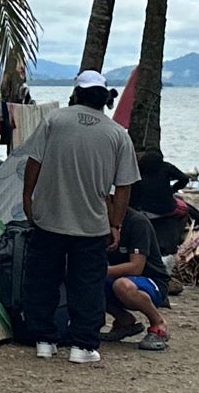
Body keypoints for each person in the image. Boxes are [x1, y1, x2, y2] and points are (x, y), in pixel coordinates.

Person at [19, 69, 139, 365]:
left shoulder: (55, 121)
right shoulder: (117, 134)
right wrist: (116, 223)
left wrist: (27, 198)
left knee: (43, 280)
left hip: (49, 218)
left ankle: (44, 341)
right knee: (86, 284)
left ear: (76, 93)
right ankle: (82, 345)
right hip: (91, 224)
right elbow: (123, 187)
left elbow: (34, 162)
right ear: (104, 96)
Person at [106, 202, 173, 352]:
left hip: (149, 280)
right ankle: (123, 320)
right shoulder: (98, 220)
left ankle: (158, 323)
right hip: (115, 276)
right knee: (83, 280)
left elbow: (136, 267)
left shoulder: (137, 223)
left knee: (122, 285)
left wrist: (100, 271)